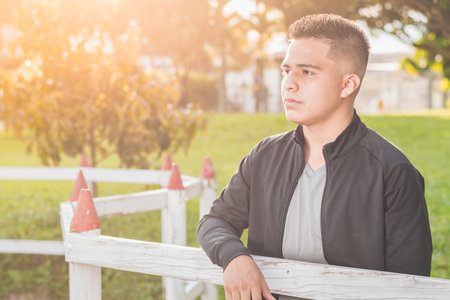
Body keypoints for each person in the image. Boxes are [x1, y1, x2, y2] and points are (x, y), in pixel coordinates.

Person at [197, 14, 432, 300]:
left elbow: (411, 287)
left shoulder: (393, 172)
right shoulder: (264, 157)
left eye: (307, 72)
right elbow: (215, 222)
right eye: (286, 70)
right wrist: (234, 257)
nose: (289, 84)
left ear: (348, 85)